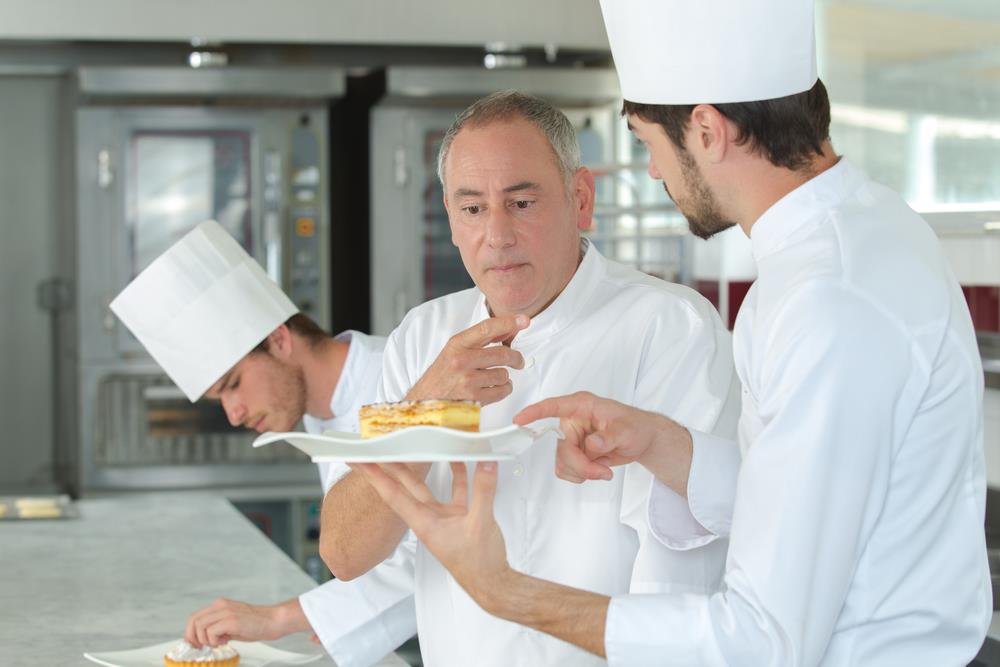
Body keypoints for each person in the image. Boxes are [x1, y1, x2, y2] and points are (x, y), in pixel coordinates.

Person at [355, 1, 992, 665]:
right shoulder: (866, 233)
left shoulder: (826, 298)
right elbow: (798, 493)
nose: (655, 172)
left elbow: (762, 640)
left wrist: (503, 590)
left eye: (647, 143)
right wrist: (665, 445)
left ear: (707, 131)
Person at [320, 90, 743, 666]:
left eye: (521, 203)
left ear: (581, 199)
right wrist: (425, 408)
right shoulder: (422, 338)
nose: (497, 236)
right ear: (449, 217)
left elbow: (680, 572)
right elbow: (345, 551)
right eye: (472, 209)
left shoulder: (669, 326)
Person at [111, 220, 415, 667]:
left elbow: (434, 556)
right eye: (220, 399)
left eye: (233, 384)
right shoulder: (317, 413)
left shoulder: (401, 380)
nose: (233, 414)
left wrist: (282, 617)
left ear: (278, 339)